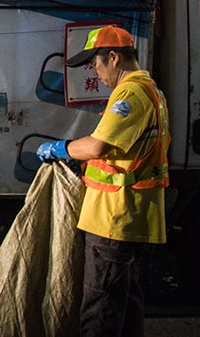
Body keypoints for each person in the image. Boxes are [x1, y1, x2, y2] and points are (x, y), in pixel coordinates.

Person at [37, 25, 170, 337]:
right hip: (136, 217)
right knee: (126, 306)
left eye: (95, 63)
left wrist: (61, 148)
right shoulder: (153, 91)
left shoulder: (131, 94)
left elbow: (98, 146)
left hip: (115, 218)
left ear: (114, 57)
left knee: (101, 309)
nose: (95, 72)